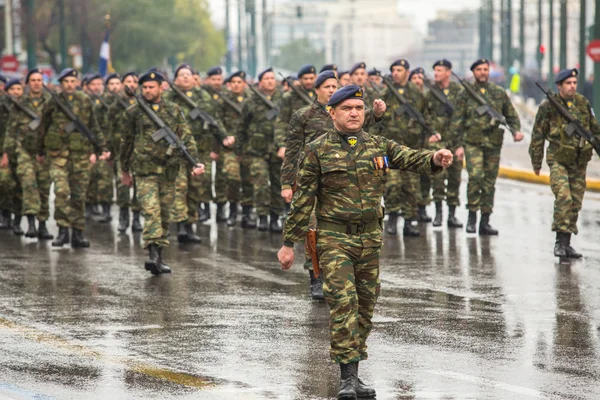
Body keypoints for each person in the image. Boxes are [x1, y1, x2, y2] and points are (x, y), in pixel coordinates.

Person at [278, 85, 453, 399]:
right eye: (347, 109)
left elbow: (410, 158)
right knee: (344, 303)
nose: (355, 114)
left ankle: (355, 374)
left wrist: (436, 160)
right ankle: (346, 377)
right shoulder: (317, 150)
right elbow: (304, 199)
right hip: (333, 237)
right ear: (332, 113)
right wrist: (289, 243)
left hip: (369, 237)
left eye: (359, 108)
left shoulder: (378, 145)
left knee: (365, 307)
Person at [279, 71, 386, 300]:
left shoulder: (345, 110)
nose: (330, 89)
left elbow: (365, 120)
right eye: (326, 86)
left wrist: (377, 114)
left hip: (339, 180)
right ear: (316, 89)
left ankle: (339, 275)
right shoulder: (303, 116)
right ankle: (316, 278)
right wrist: (287, 183)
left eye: (334, 86)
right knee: (313, 229)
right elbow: (292, 152)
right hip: (311, 177)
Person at [120, 70, 204, 275]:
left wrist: (195, 162)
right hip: (144, 170)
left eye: (151, 87)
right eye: (145, 87)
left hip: (168, 170)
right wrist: (124, 170)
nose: (147, 91)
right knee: (151, 211)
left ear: (161, 87)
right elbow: (125, 142)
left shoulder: (174, 110)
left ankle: (159, 254)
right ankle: (153, 256)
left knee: (165, 213)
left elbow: (186, 138)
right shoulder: (133, 112)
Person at [529, 68, 600, 258]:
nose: (572, 86)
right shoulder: (548, 106)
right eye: (568, 83)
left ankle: (567, 242)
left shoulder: (582, 103)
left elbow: (595, 129)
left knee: (575, 202)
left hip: (579, 161)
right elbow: (537, 136)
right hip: (558, 159)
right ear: (559, 85)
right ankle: (559, 243)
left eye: (575, 83)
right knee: (564, 197)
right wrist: (536, 162)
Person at [448, 58, 524, 235]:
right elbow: (456, 123)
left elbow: (511, 115)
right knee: (475, 177)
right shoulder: (464, 94)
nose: (483, 72)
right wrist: (458, 146)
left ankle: (485, 220)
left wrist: (516, 131)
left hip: (493, 143)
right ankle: (472, 216)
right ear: (473, 72)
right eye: (479, 69)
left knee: (489, 182)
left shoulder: (498, 93)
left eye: (485, 69)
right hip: (472, 142)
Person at [42, 68, 111, 247]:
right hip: (58, 155)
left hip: (80, 155)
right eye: (66, 82)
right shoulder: (53, 102)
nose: (70, 85)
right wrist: (39, 151)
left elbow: (93, 127)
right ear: (61, 83)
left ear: (78, 83)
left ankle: (78, 232)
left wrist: (101, 148)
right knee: (62, 192)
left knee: (79, 195)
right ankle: (63, 230)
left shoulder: (85, 101)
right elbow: (43, 126)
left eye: (73, 81)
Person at [165, 63, 232, 243]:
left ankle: (190, 225)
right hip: (177, 151)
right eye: (181, 75)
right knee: (180, 188)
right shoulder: (168, 97)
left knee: (196, 188)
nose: (185, 77)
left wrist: (223, 137)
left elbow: (214, 119)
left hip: (200, 150)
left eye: (188, 74)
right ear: (176, 79)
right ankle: (180, 226)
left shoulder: (203, 96)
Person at [377, 59, 427, 236]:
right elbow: (377, 122)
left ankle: (409, 221)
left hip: (412, 149)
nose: (396, 73)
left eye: (399, 70)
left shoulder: (417, 93)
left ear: (407, 72)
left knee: (411, 187)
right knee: (392, 185)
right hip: (390, 151)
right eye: (393, 70)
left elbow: (425, 118)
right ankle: (391, 216)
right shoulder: (385, 94)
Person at [1, 70, 53, 240]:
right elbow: (11, 130)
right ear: (28, 83)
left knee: (44, 187)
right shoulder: (20, 103)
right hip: (24, 151)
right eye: (33, 80)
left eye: (39, 80)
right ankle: (30, 223)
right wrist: (7, 154)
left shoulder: (51, 102)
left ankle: (42, 224)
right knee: (29, 184)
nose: (37, 83)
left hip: (45, 152)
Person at [238, 67, 284, 232]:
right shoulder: (251, 102)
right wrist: (239, 151)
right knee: (261, 184)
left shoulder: (283, 99)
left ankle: (275, 218)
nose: (270, 81)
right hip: (256, 151)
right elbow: (241, 128)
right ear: (260, 82)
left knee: (278, 185)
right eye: (266, 78)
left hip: (278, 150)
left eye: (272, 78)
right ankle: (262, 216)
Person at [423, 59, 464, 228]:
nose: (436, 73)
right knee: (438, 177)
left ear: (448, 72)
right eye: (435, 70)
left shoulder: (459, 92)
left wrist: (462, 145)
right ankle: (438, 213)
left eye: (440, 70)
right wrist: (431, 132)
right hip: (438, 142)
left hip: (455, 141)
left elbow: (464, 119)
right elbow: (424, 116)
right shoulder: (429, 93)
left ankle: (452, 215)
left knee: (455, 178)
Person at [108, 71, 143, 233]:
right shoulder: (115, 106)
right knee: (122, 185)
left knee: (138, 185)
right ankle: (123, 216)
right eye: (128, 81)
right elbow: (110, 129)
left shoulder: (143, 104)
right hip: (121, 150)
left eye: (135, 81)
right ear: (122, 84)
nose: (132, 84)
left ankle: (136, 217)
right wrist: (109, 151)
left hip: (139, 151)